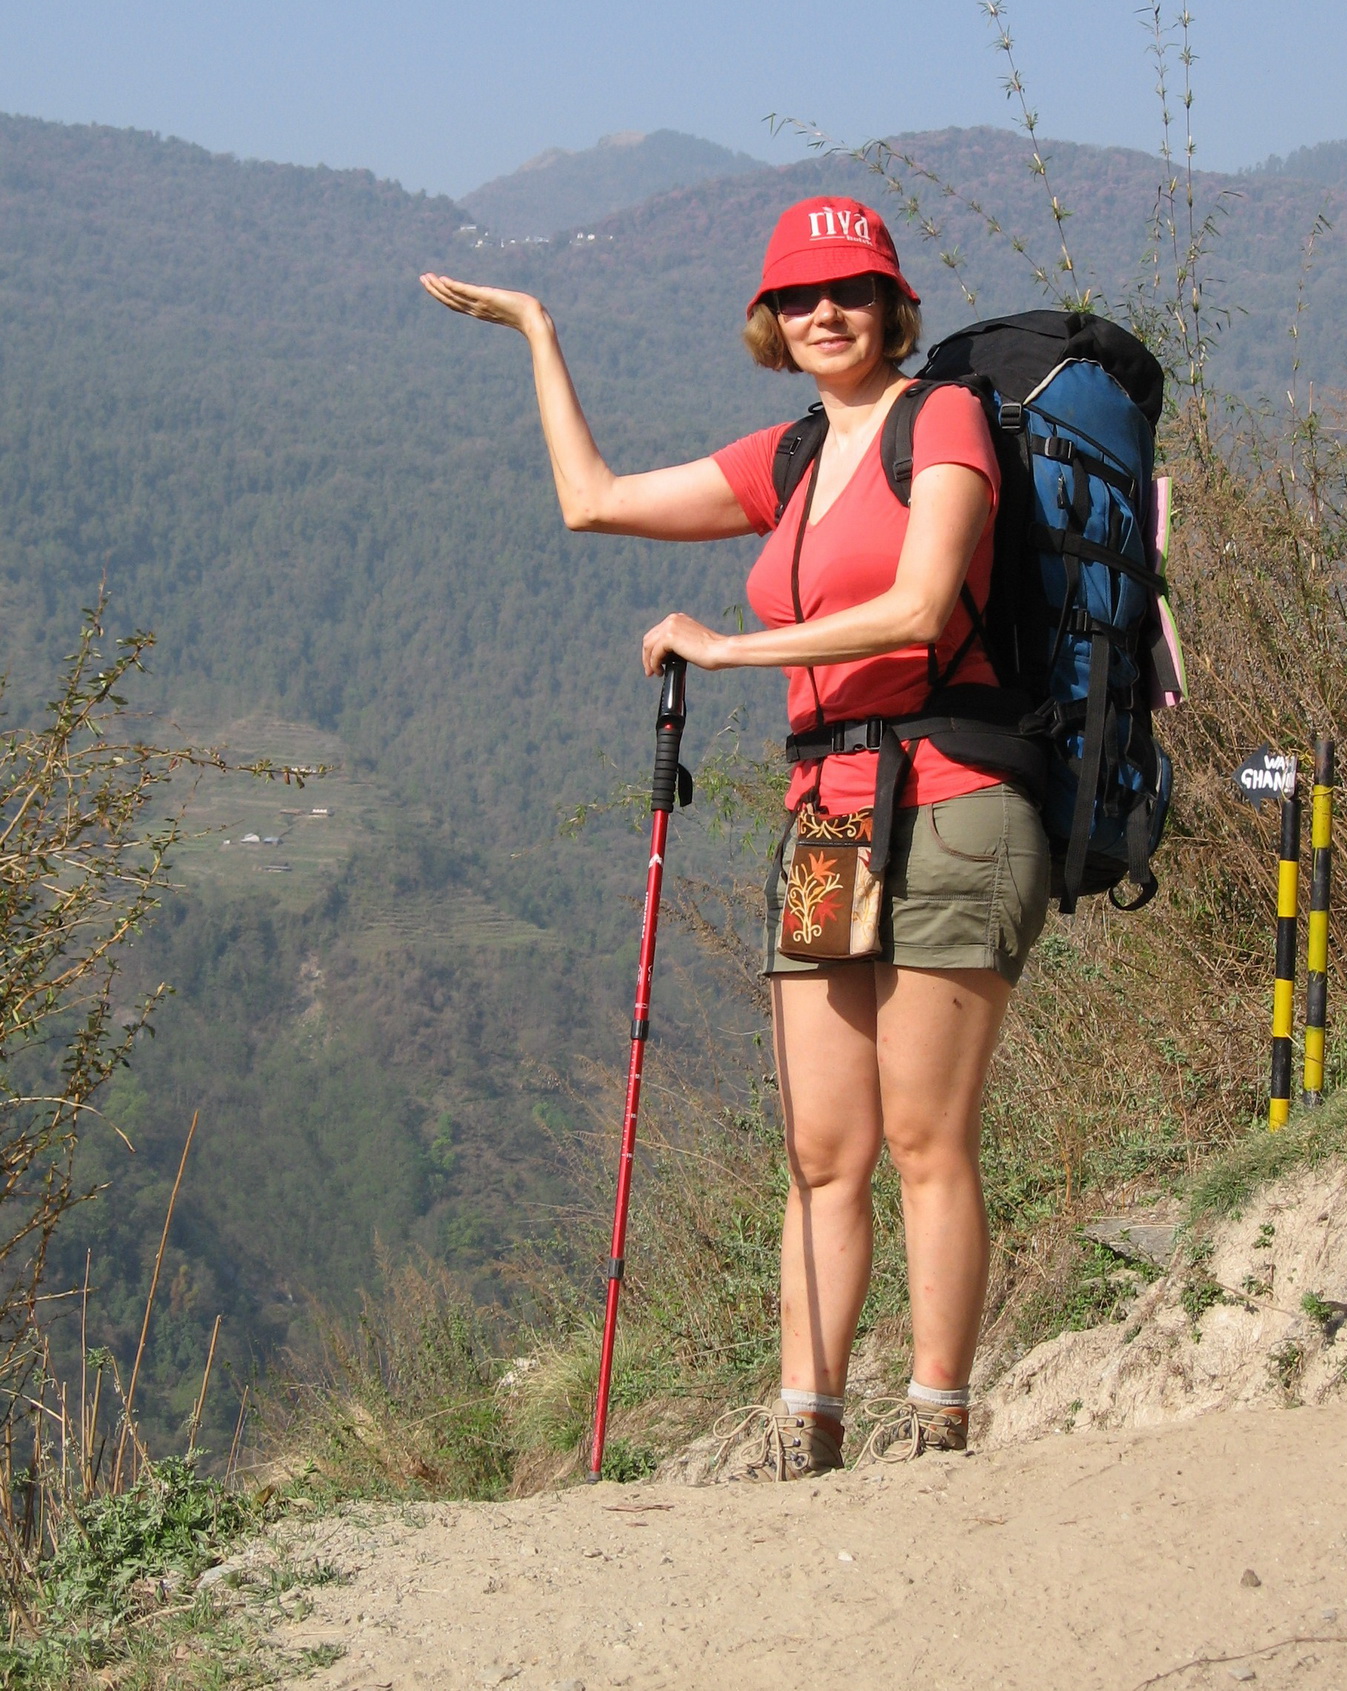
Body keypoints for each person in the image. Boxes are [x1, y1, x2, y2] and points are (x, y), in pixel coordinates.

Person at [421, 195, 1049, 1480]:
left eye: (852, 290)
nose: (826, 312)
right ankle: (801, 1424)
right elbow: (592, 502)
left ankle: (934, 1418)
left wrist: (726, 648)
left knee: (924, 1137)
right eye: (799, 296)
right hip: (828, 819)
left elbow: (918, 607)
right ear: (770, 319)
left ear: (892, 307)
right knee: (821, 1150)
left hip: (956, 802)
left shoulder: (944, 422)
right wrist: (537, 330)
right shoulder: (790, 455)